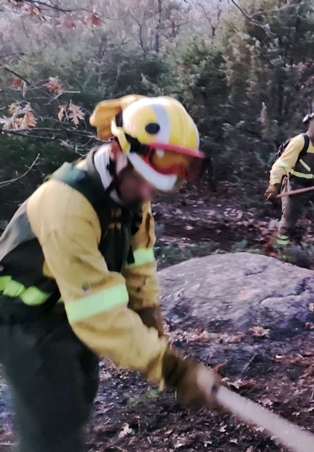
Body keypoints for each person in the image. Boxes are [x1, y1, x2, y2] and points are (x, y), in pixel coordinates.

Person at [0, 95, 220, 452]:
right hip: (27, 323)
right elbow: (97, 313)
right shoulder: (65, 205)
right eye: (144, 180)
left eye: (156, 184)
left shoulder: (132, 192)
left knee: (77, 400)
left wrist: (149, 318)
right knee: (53, 428)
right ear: (116, 151)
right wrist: (171, 368)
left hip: (72, 311)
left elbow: (139, 264)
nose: (149, 192)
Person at [265, 109, 314, 248]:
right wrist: (274, 186)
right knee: (288, 222)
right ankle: (281, 250)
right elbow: (280, 165)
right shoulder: (300, 141)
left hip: (313, 185)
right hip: (295, 187)